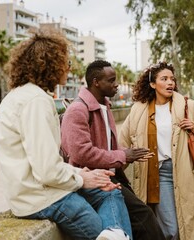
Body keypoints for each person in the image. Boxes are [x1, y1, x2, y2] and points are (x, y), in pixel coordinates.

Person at [0, 29, 132, 240]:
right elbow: (47, 171)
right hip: (42, 198)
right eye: (66, 63)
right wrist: (81, 177)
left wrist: (80, 173)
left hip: (32, 192)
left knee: (109, 191)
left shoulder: (19, 96)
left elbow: (39, 161)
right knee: (105, 199)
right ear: (51, 64)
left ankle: (114, 233)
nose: (68, 68)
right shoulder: (36, 101)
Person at [117, 61, 194, 240]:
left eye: (172, 79)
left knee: (190, 223)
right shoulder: (138, 110)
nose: (170, 83)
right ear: (152, 84)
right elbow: (123, 142)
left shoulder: (187, 105)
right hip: (156, 173)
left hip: (187, 172)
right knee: (171, 229)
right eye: (164, 79)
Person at [61, 60, 166, 240]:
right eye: (111, 80)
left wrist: (127, 154)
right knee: (144, 218)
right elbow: (81, 153)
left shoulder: (105, 105)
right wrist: (122, 155)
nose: (116, 84)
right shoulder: (77, 110)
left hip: (111, 176)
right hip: (94, 179)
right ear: (96, 82)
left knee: (140, 222)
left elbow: (106, 146)